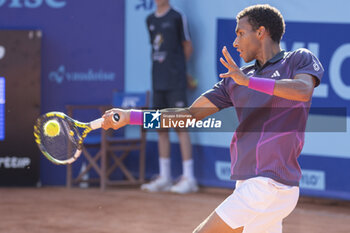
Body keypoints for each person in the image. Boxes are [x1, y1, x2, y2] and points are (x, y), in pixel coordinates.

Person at [102, 4, 324, 233]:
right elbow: (187, 115)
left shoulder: (297, 59)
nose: (235, 43)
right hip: (253, 184)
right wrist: (132, 117)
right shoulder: (234, 80)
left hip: (268, 184)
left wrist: (249, 82)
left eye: (240, 33)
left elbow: (302, 90)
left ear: (260, 32)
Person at [140, 0, 198, 194]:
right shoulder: (149, 20)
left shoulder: (177, 17)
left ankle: (189, 178)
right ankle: (164, 177)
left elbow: (187, 46)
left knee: (181, 128)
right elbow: (155, 48)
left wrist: (180, 71)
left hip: (176, 83)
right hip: (158, 83)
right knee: (160, 129)